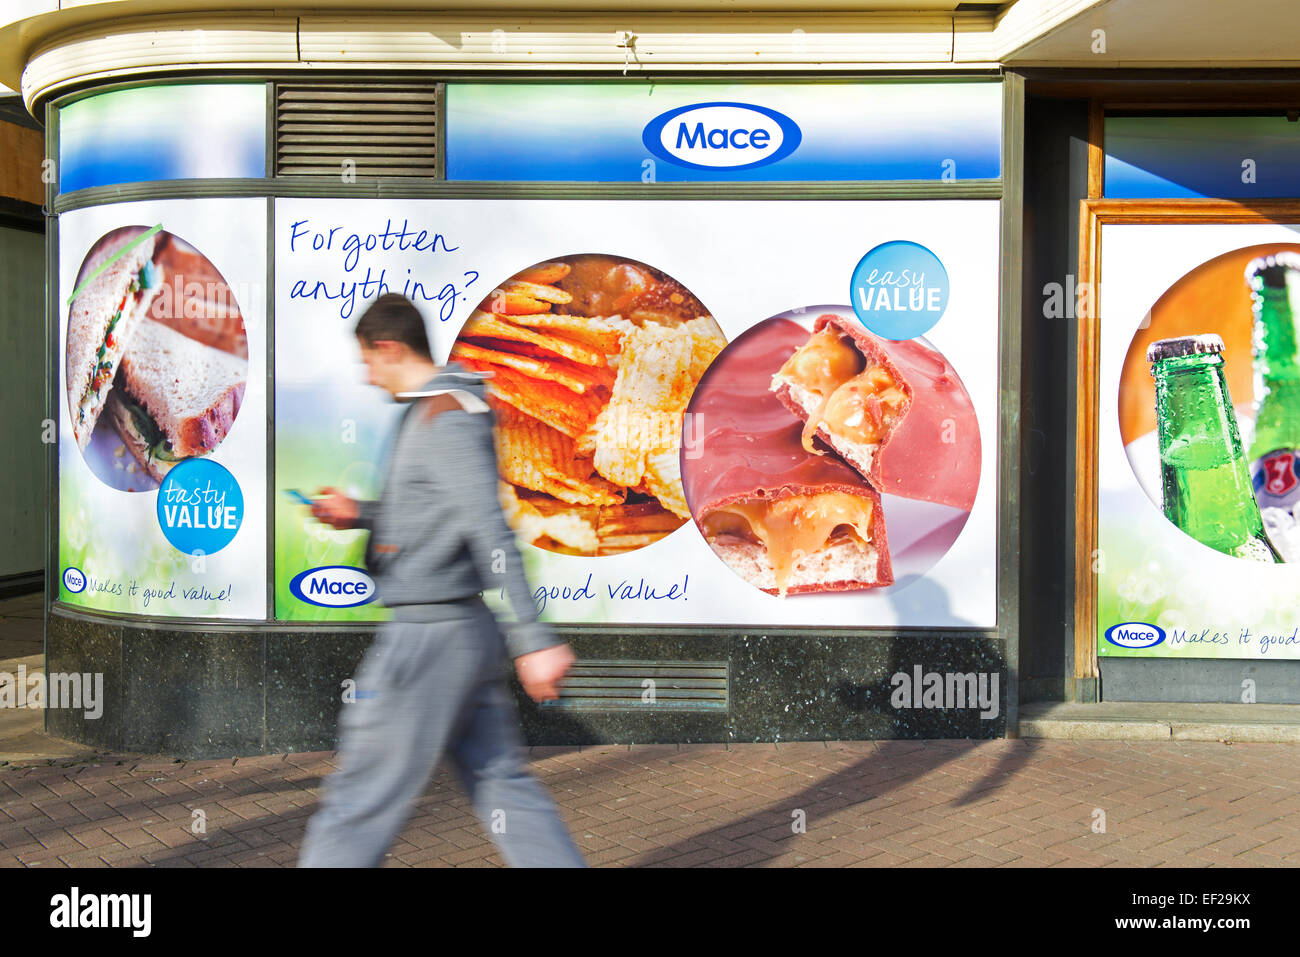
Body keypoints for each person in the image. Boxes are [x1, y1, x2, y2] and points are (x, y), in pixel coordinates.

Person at [297, 293, 586, 868]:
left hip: (428, 640)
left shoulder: (446, 417)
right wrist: (361, 513)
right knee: (502, 783)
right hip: (462, 635)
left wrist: (533, 639)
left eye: (367, 361)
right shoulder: (434, 409)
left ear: (389, 347)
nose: (366, 375)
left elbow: (488, 530)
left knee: (360, 796)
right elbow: (436, 512)